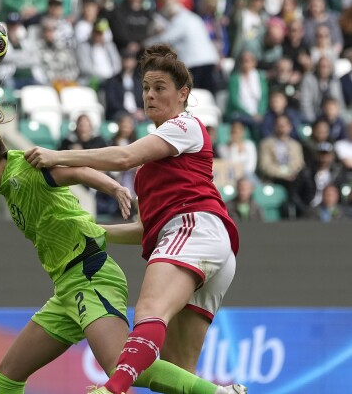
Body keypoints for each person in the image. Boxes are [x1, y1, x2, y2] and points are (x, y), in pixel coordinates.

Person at [0, 83, 246, 394]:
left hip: (90, 276)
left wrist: (113, 188)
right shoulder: (5, 177)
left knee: (125, 367)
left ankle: (219, 393)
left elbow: (76, 172)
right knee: (9, 374)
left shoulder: (28, 170)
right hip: (66, 289)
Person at [24, 44, 245, 394]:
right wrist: (97, 232)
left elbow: (124, 155)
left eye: (160, 88)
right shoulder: (150, 168)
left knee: (149, 310)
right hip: (209, 245)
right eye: (146, 88)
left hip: (195, 227)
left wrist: (56, 156)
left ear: (183, 93)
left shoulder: (184, 125)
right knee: (177, 372)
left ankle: (113, 389)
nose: (150, 95)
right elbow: (146, 229)